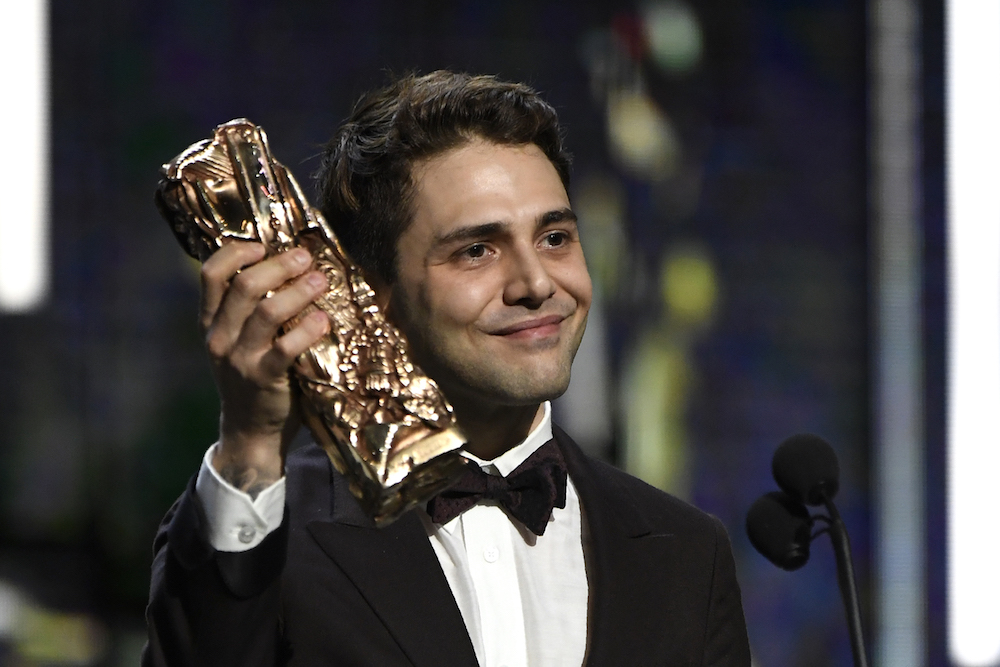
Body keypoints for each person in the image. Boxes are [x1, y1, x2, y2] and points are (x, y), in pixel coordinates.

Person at [142, 71, 751, 667]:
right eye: (477, 250)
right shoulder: (266, 533)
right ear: (372, 296)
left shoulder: (689, 557)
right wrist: (249, 443)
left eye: (556, 237)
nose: (538, 283)